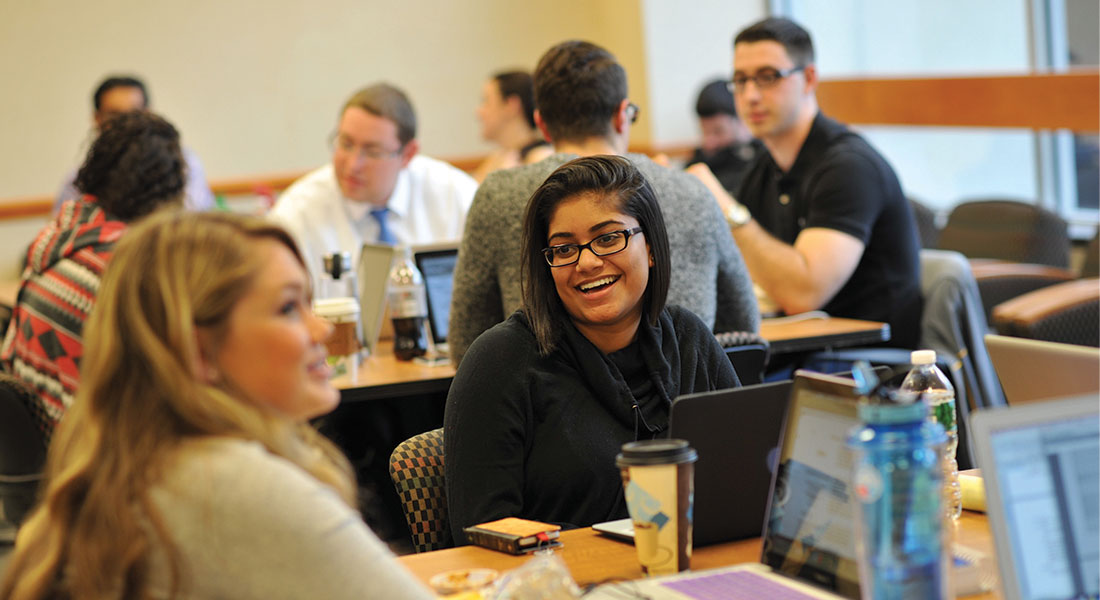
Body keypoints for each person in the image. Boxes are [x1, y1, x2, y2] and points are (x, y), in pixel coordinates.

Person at [0, 212, 434, 600]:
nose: (320, 328)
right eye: (288, 307)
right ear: (198, 351)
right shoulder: (235, 487)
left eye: (309, 303)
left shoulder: (127, 468)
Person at [445, 156, 739, 542]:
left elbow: (746, 474)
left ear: (650, 247)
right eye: (564, 249)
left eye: (608, 238)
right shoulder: (500, 361)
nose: (587, 262)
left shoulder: (689, 339)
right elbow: (482, 529)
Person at [449, 40, 760, 366]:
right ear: (621, 115)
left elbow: (466, 345)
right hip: (683, 403)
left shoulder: (498, 194)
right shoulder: (692, 190)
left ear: (541, 123)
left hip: (548, 406)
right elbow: (743, 327)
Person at [688, 17, 922, 349]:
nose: (750, 95)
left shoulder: (849, 166)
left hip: (869, 370)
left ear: (809, 78)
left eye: (768, 77)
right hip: (801, 350)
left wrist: (723, 206)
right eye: (740, 81)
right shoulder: (764, 167)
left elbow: (803, 294)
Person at [1, 111, 186, 441]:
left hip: (51, 445)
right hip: (99, 462)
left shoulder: (61, 236)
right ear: (167, 189)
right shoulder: (127, 266)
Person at [271, 83, 477, 293]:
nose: (353, 165)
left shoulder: (455, 196)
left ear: (408, 155)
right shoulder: (297, 215)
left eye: (372, 152)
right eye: (346, 144)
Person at [55, 75, 214, 212]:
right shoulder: (79, 178)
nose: (125, 124)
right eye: (114, 115)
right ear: (97, 119)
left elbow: (192, 218)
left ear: (149, 114)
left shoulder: (180, 163)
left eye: (134, 114)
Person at [471, 70, 552, 183]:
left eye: (486, 101)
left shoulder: (540, 159)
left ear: (511, 105)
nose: (478, 112)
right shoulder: (497, 157)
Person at [685, 78, 762, 195]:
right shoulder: (699, 162)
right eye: (704, 131)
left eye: (718, 131)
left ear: (742, 122)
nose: (709, 142)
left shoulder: (761, 164)